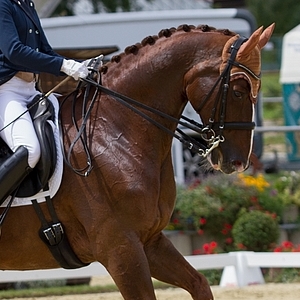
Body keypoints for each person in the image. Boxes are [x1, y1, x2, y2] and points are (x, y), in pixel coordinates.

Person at [0, 0, 89, 202]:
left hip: (32, 90)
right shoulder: (3, 4)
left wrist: (77, 66)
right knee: (30, 150)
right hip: (6, 91)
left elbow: (45, 50)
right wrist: (63, 65)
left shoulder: (26, 5)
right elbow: (13, 51)